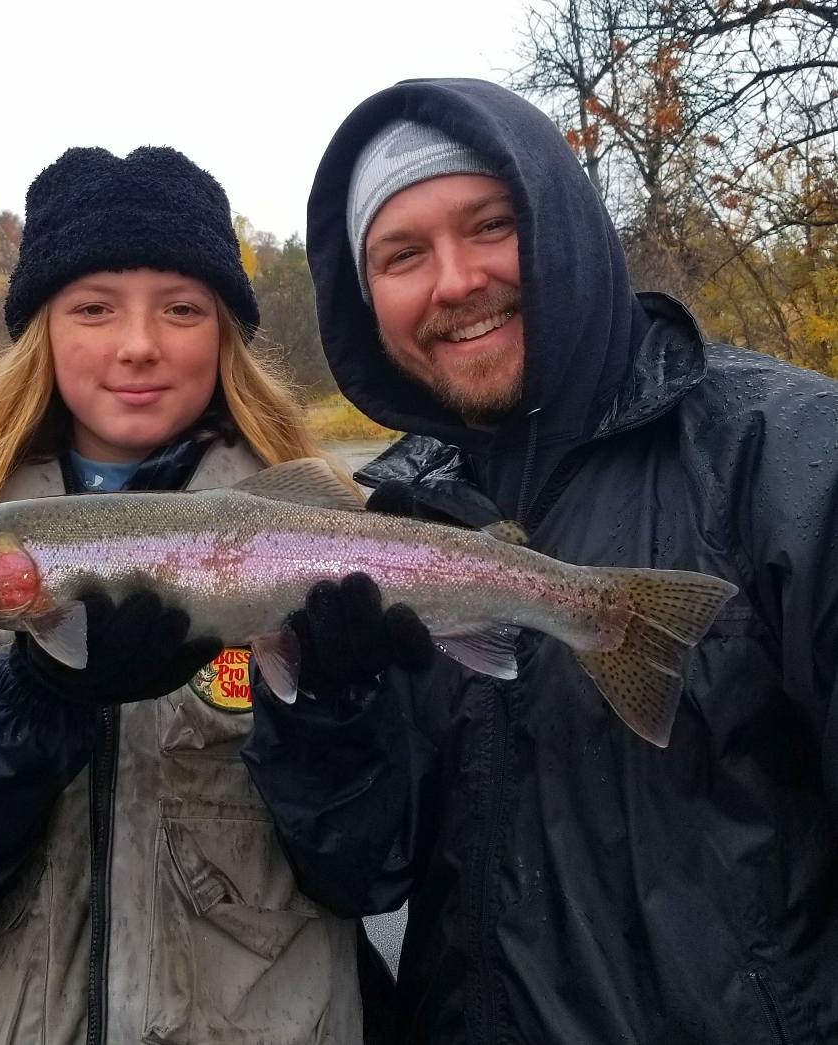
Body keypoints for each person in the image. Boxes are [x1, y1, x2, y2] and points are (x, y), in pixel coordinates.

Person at [242, 78, 838, 1043]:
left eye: (488, 223)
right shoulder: (384, 522)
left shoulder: (792, 462)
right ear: (366, 298)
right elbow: (358, 873)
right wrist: (328, 709)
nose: (454, 280)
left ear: (561, 222)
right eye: (402, 253)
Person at [0, 145, 369, 1044]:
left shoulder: (333, 528)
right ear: (43, 331)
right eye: (93, 307)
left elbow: (371, 873)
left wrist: (339, 712)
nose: (139, 343)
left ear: (224, 334)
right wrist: (33, 698)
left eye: (182, 308)